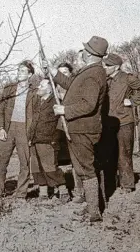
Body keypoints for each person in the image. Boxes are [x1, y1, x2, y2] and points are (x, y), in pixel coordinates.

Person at [44, 36, 108, 222]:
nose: (83, 52)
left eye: (86, 49)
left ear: (90, 54)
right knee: (82, 169)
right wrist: (53, 72)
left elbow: (88, 105)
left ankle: (94, 212)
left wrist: (64, 109)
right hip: (79, 128)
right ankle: (91, 206)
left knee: (86, 170)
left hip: (83, 129)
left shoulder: (93, 74)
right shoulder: (90, 71)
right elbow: (71, 86)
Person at [102, 53, 140, 193]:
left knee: (124, 153)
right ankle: (111, 184)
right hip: (108, 123)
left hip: (124, 122)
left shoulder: (127, 78)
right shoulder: (105, 80)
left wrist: (133, 101)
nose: (105, 67)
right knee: (109, 154)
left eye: (108, 65)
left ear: (116, 67)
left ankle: (127, 185)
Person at [0, 60, 36, 203]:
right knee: (1, 161)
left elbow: (36, 115)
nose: (19, 73)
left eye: (23, 71)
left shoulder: (35, 91)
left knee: (25, 164)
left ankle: (21, 194)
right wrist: (1, 128)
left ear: (30, 74)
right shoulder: (9, 89)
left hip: (24, 129)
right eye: (18, 70)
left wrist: (31, 134)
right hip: (8, 129)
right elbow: (0, 110)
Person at [27, 78, 68, 201]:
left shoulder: (55, 102)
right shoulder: (38, 102)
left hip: (48, 141)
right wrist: (30, 137)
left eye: (42, 85)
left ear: (50, 89)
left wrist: (55, 138)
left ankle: (63, 192)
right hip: (35, 140)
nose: (38, 87)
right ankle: (43, 193)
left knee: (50, 168)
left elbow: (61, 122)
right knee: (36, 168)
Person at [56, 62, 84, 203]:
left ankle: (80, 190)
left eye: (65, 73)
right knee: (59, 160)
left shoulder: (74, 88)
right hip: (58, 128)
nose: (61, 76)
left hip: (73, 126)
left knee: (76, 160)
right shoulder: (53, 90)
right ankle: (62, 190)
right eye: (59, 72)